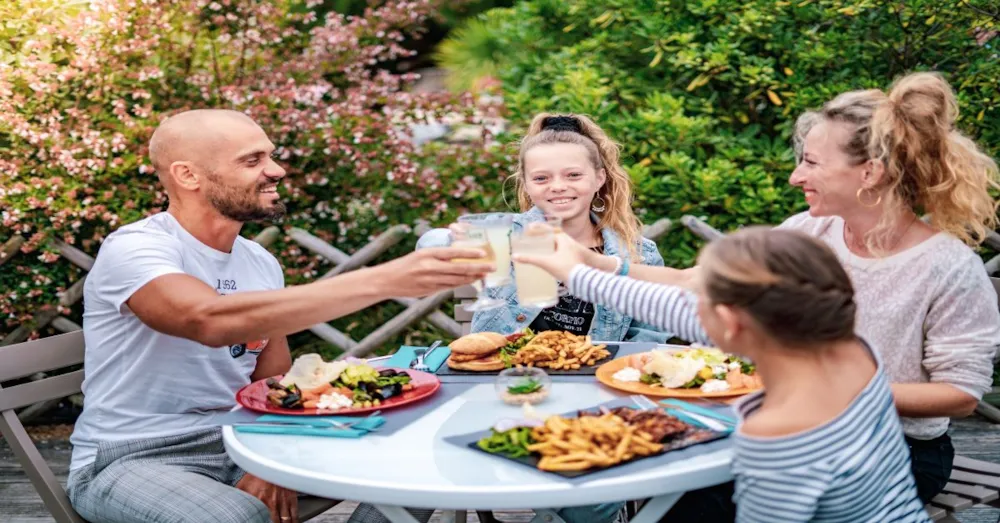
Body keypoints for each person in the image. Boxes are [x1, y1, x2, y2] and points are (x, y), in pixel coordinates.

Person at [558, 71, 1000, 503]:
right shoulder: (809, 232)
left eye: (810, 162)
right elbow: (695, 287)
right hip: (790, 420)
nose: (795, 176)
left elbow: (960, 395)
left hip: (898, 449)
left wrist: (808, 385)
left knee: (699, 501)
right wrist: (591, 262)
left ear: (869, 173)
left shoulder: (948, 268)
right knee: (674, 487)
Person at [66, 109, 492, 523]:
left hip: (236, 440)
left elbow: (272, 383)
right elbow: (207, 320)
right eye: (253, 160)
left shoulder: (259, 262)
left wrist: (270, 456)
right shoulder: (136, 248)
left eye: (269, 155)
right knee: (236, 516)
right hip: (131, 456)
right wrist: (385, 280)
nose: (277, 170)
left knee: (415, 461)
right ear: (187, 175)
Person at [516, 226, 931, 522]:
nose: (691, 307)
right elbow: (671, 306)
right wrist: (578, 272)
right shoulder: (854, 350)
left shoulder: (778, 431)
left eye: (702, 299)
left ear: (731, 324)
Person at [418, 112, 669, 344]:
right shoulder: (505, 236)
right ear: (526, 184)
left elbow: (647, 337)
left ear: (599, 179)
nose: (558, 186)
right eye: (541, 178)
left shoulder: (639, 254)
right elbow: (428, 247)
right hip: (508, 376)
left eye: (573, 175)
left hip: (597, 381)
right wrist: (452, 240)